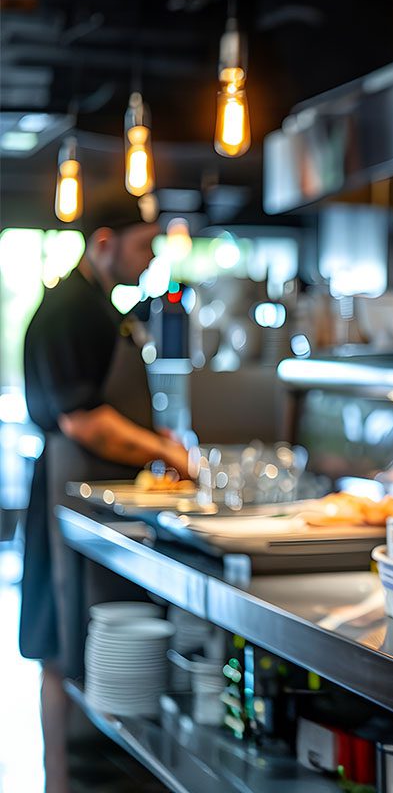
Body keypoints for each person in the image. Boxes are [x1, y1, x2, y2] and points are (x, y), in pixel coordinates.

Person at [20, 200, 189, 792]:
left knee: (81, 640)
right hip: (66, 494)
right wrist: (165, 451)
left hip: (93, 494)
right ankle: (63, 781)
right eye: (143, 246)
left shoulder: (100, 305)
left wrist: (154, 439)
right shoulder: (71, 306)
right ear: (104, 242)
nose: (150, 259)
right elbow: (83, 420)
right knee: (62, 645)